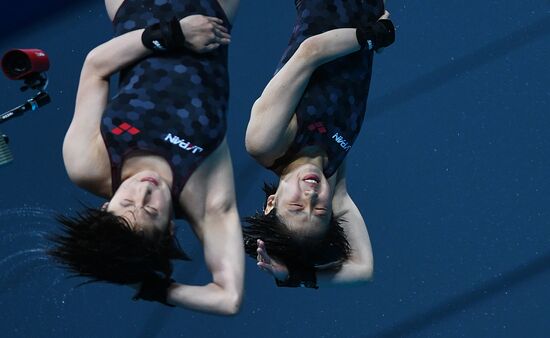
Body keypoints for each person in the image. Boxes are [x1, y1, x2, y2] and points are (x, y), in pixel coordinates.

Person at [48, 0, 244, 315]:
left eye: (126, 204)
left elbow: (95, 66)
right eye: (152, 212)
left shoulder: (87, 164)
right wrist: (150, 287)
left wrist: (172, 33)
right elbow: (228, 299)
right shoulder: (205, 197)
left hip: (134, 7)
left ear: (105, 206)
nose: (144, 191)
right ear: (169, 229)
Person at [243, 0, 395, 289]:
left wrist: (370, 36)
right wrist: (296, 276)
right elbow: (363, 268)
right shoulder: (331, 172)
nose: (311, 195)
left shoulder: (266, 143)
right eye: (321, 211)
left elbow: (308, 53)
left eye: (298, 206)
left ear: (272, 202)